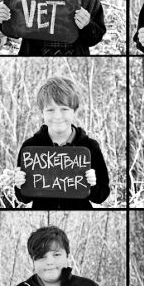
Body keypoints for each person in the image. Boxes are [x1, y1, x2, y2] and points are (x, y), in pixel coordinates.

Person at [14, 75, 111, 209]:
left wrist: (92, 185)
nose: (57, 116)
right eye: (50, 110)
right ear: (42, 112)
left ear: (74, 111)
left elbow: (101, 196)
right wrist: (20, 185)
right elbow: (23, 198)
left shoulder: (90, 146)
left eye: (64, 109)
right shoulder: (30, 147)